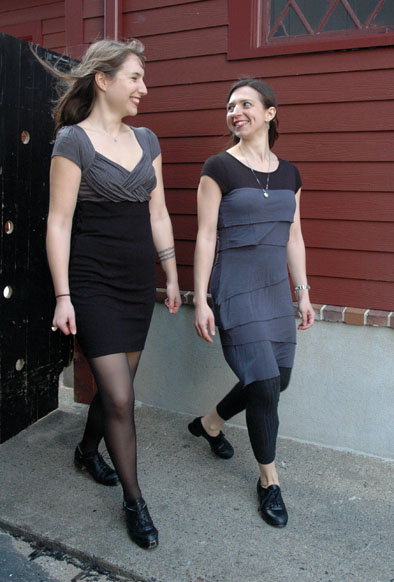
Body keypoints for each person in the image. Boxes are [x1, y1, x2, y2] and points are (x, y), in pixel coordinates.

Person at [44, 39, 181, 549]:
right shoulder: (72, 143)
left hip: (134, 283)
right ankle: (134, 501)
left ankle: (85, 451)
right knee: (122, 398)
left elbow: (159, 213)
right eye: (135, 78)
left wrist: (169, 276)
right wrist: (63, 296)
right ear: (103, 80)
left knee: (114, 387)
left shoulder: (147, 140)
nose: (144, 88)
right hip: (92, 282)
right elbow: (58, 223)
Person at [190, 78, 314, 528]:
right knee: (262, 386)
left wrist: (302, 293)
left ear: (270, 112)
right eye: (229, 106)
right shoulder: (217, 168)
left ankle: (209, 423)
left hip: (275, 293)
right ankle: (269, 481)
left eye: (245, 104)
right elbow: (206, 237)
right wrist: (201, 299)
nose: (235, 111)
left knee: (276, 381)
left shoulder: (290, 175)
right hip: (235, 289)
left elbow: (294, 238)